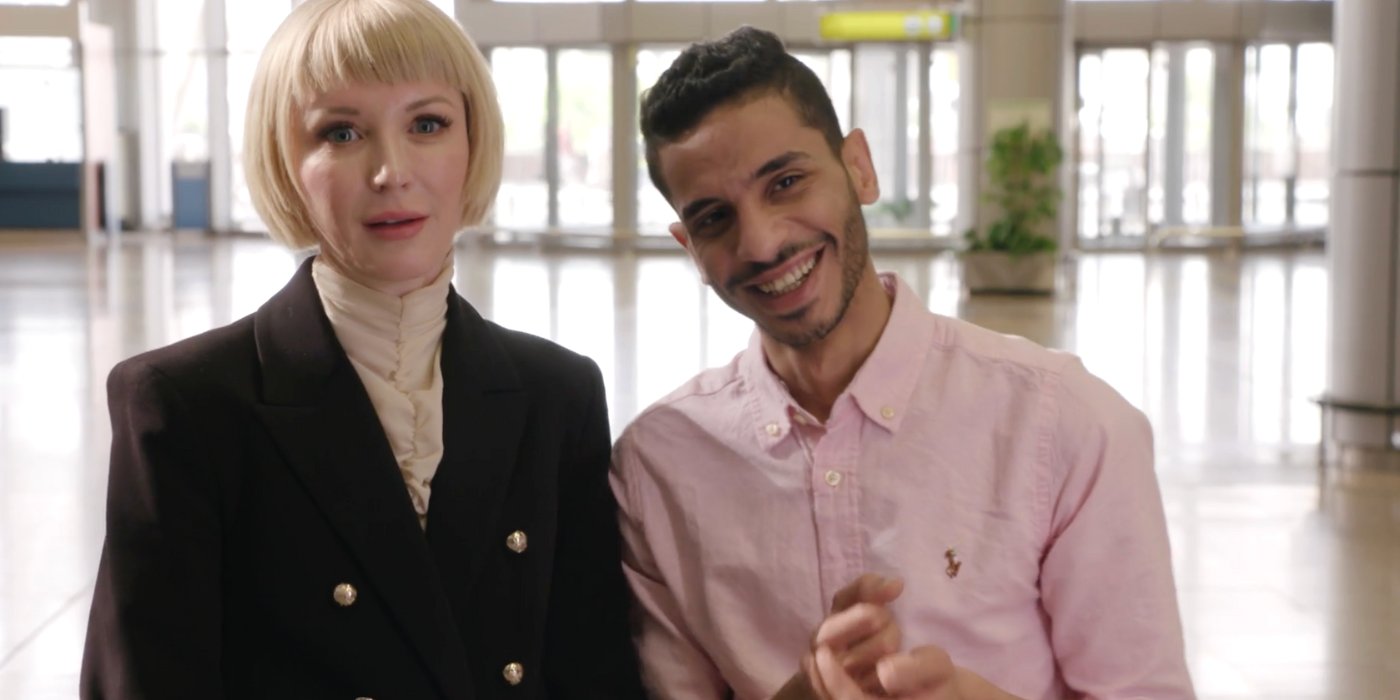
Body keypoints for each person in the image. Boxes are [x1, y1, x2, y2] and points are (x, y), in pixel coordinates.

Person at [611, 27, 1195, 700]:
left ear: (859, 166)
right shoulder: (658, 465)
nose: (763, 242)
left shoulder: (1066, 425)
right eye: (715, 219)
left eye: (788, 181)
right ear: (688, 244)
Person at [80, 1, 645, 698]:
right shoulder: (183, 406)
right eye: (341, 132)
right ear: (286, 164)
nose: (391, 170)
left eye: (428, 124)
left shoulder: (559, 394)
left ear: (473, 142)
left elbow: (593, 675)